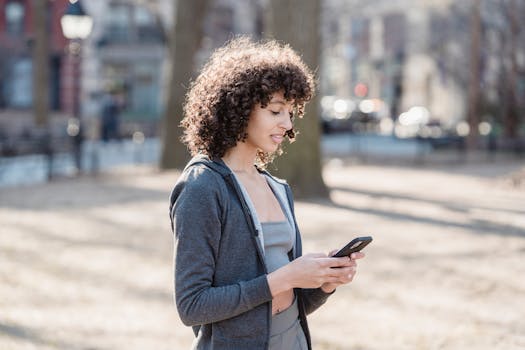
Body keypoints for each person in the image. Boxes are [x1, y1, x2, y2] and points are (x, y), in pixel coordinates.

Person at [169, 37, 365, 350]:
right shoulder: (202, 188)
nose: (287, 124)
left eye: (291, 112)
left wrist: (324, 283)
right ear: (240, 107)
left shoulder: (277, 187)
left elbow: (280, 305)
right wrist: (287, 276)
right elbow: (192, 306)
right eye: (276, 111)